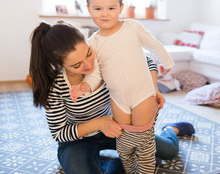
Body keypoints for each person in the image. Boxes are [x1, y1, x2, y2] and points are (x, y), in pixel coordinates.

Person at [29, 21, 195, 174]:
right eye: (76, 65)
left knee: (169, 151)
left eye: (88, 53)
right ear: (59, 65)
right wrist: (99, 123)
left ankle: (170, 130)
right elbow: (59, 133)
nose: (88, 65)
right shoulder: (55, 87)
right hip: (79, 140)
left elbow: (147, 61)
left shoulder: (104, 57)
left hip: (117, 129)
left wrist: (153, 89)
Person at [71, 0, 174, 173]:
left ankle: (147, 167)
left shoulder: (132, 27)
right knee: (124, 146)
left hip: (142, 94)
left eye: (111, 7)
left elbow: (153, 45)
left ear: (121, 8)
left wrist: (166, 63)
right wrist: (84, 87)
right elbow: (95, 75)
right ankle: (129, 169)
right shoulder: (93, 43)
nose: (104, 13)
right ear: (89, 9)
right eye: (98, 8)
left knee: (143, 143)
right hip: (118, 100)